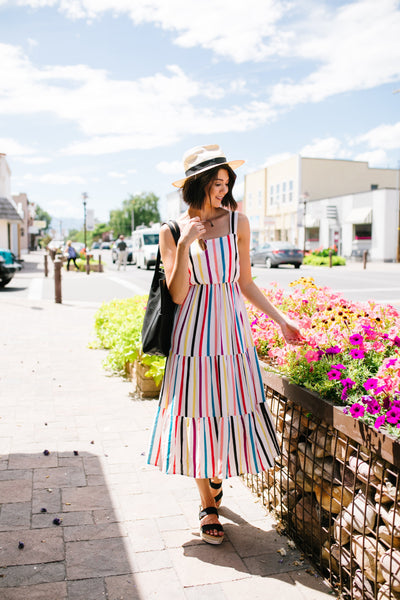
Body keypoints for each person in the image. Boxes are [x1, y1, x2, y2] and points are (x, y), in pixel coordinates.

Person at [147, 144, 303, 545]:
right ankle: (208, 505)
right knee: (195, 411)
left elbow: (245, 282)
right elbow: (178, 294)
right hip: (192, 335)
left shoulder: (239, 223)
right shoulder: (172, 230)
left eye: (227, 183)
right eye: (217, 183)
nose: (224, 189)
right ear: (198, 184)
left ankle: (214, 475)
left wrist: (282, 320)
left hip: (232, 333)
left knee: (227, 406)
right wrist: (184, 246)